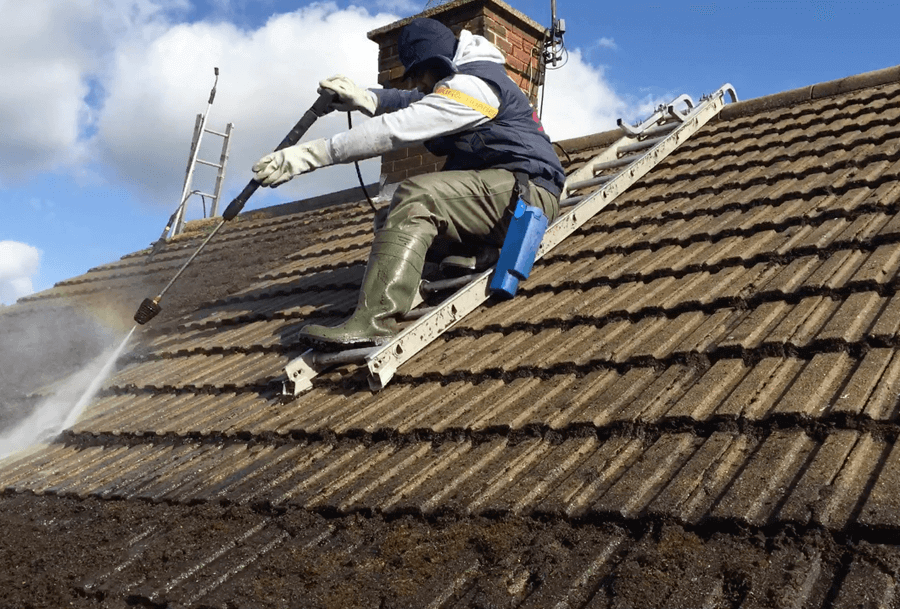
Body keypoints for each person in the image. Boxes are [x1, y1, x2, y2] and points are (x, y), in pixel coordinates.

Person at [252, 17, 565, 350]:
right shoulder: (464, 83)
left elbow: (395, 129)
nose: (417, 85)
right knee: (390, 220)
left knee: (418, 196)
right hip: (500, 197)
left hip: (526, 195)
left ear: (436, 64)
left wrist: (310, 156)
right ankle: (477, 249)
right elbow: (414, 103)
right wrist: (365, 98)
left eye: (418, 75)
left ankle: (374, 321)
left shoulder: (475, 87)